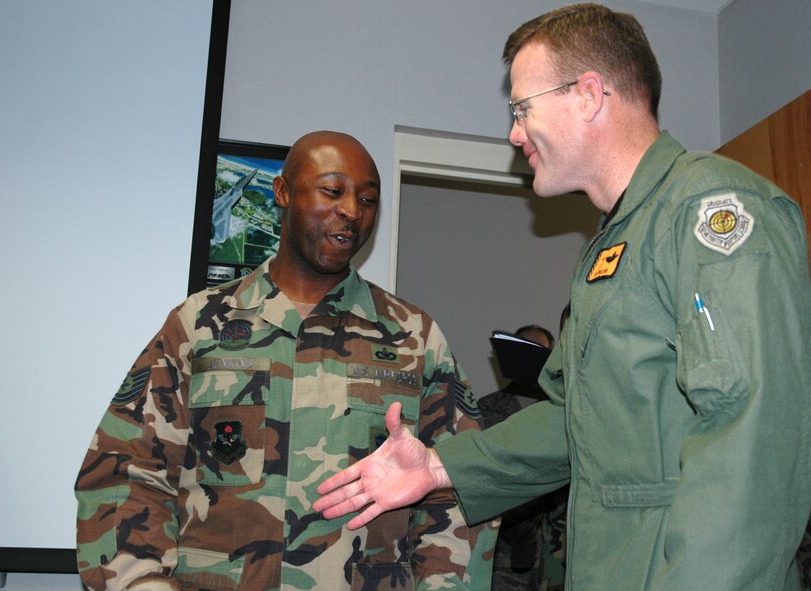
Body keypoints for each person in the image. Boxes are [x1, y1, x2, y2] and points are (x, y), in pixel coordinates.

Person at [314, 5, 811, 591]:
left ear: (590, 95)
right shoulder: (609, 248)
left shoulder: (711, 209)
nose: (514, 133)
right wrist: (438, 465)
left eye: (522, 108)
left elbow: (750, 440)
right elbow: (572, 419)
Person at [75, 131, 497, 591]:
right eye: (332, 191)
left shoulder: (413, 337)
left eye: (368, 199)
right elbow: (126, 468)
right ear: (283, 193)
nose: (352, 212)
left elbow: (460, 490)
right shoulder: (199, 326)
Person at [478, 324, 554, 589]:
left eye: (538, 350)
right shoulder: (485, 411)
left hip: (556, 557)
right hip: (502, 560)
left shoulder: (562, 413)